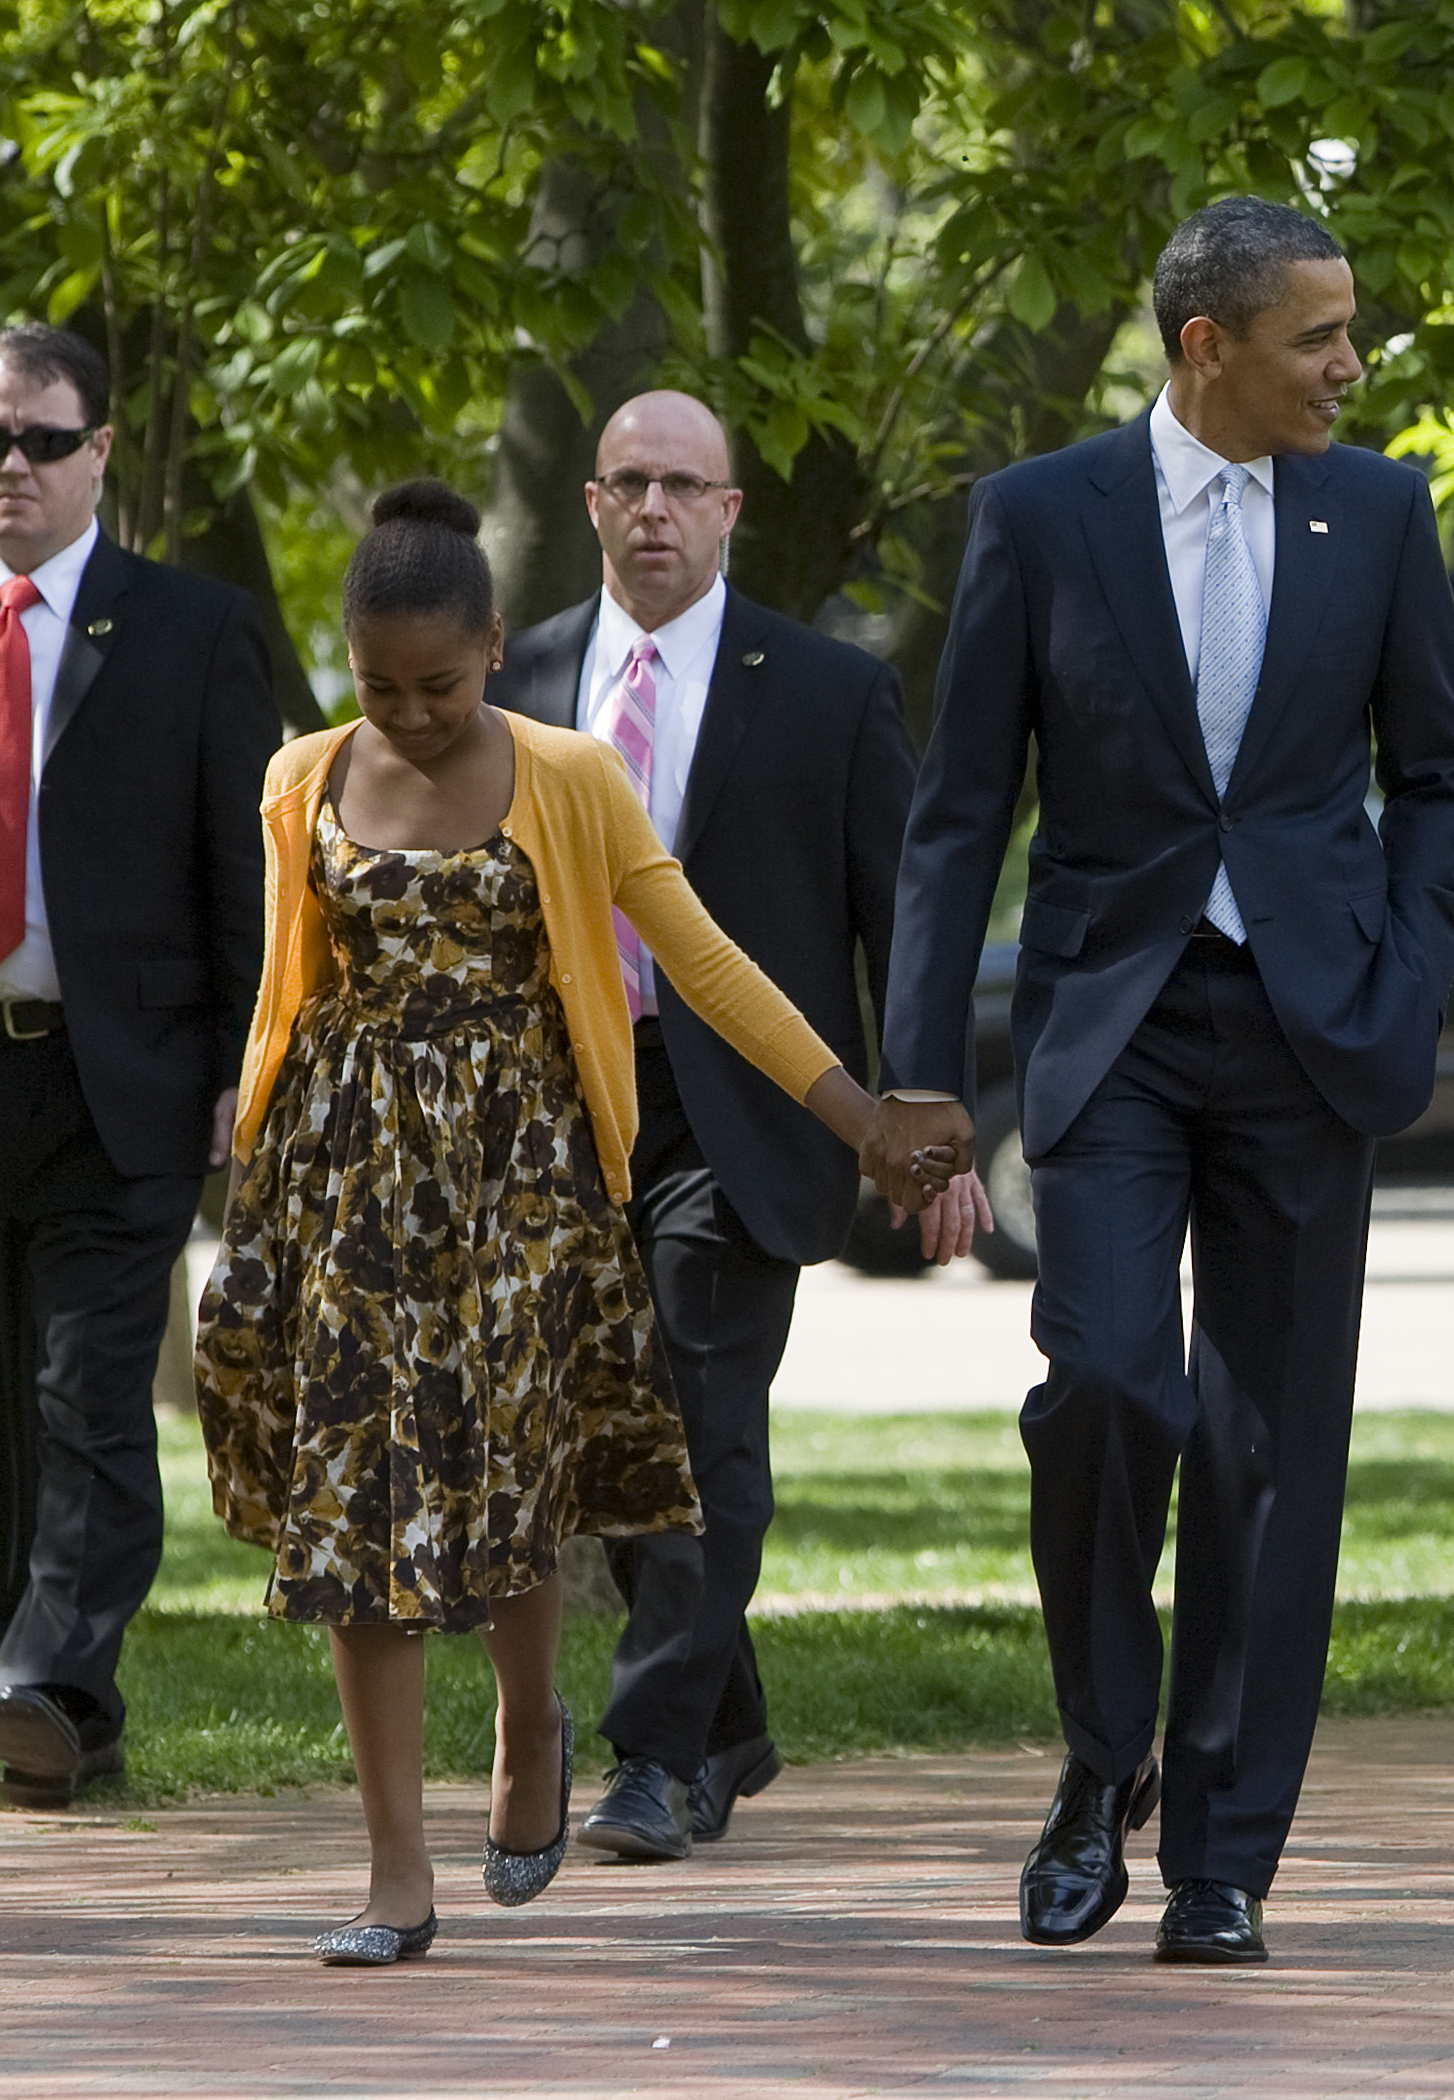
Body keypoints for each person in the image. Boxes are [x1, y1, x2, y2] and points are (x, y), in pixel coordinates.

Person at [867, 197, 1454, 1966]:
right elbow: (960, 811)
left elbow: (1446, 774)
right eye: (1320, 337)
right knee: (1110, 1389)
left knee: (1273, 1454)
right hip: (1112, 1026)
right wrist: (918, 1079)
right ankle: (1096, 1759)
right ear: (1206, 347)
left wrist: (1408, 963)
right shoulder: (1042, 515)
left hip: (1313, 1029)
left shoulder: (1377, 512)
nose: (1351, 367)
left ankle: (1223, 1856)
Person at [193, 481, 936, 1964]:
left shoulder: (572, 774)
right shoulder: (300, 778)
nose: (407, 714)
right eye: (378, 683)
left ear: (493, 649)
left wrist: (864, 1121)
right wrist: (253, 1147)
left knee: (511, 1486)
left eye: (442, 683)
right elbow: (287, 983)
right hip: (348, 1182)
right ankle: (396, 1872)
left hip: (521, 1181)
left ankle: (531, 1725)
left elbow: (706, 963)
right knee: (357, 1519)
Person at [487, 390, 917, 1862]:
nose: (656, 510)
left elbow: (897, 918)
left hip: (748, 1101)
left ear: (730, 511)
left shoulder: (827, 689)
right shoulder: (519, 677)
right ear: (594, 505)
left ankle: (655, 1755)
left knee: (696, 1417)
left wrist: (911, 1106)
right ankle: (730, 1722)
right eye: (630, 485)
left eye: (686, 486)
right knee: (605, 1432)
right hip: (566, 1102)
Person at [0, 321, 280, 1810]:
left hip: (128, 1081)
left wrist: (247, 1058)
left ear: (101, 449)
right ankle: (59, 1701)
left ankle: (42, 1673)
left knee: (90, 1388)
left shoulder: (194, 629)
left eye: (40, 440)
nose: (10, 470)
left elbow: (249, 869)